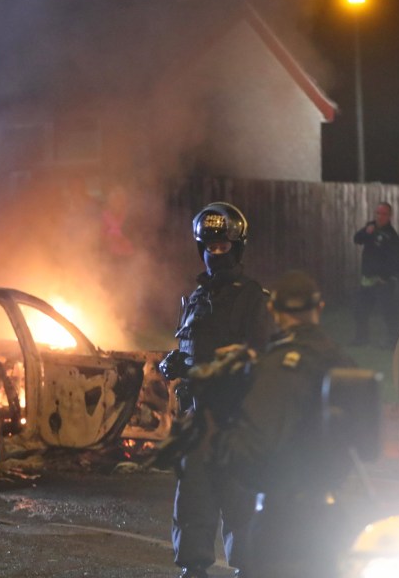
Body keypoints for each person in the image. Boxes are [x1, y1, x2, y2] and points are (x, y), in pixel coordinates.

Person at [207, 270, 360, 578]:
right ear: (319, 309)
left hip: (282, 523)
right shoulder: (342, 362)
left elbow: (252, 448)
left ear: (274, 312)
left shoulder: (275, 367)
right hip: (331, 519)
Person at [157, 202, 273, 578]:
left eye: (223, 246)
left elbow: (253, 363)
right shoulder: (195, 300)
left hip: (235, 421)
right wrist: (175, 363)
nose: (216, 254)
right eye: (209, 247)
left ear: (237, 248)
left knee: (241, 505)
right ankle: (193, 569)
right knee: (193, 504)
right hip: (197, 423)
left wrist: (196, 368)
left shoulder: (253, 299)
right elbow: (194, 350)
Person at [351, 202, 399, 348]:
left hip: (382, 280)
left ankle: (392, 340)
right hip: (368, 278)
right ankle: (361, 338)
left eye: (384, 214)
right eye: (378, 213)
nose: (380, 216)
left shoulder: (391, 235)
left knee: (387, 311)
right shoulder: (370, 227)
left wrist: (385, 277)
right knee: (361, 309)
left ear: (389, 216)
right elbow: (357, 239)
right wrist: (366, 232)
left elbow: (395, 259)